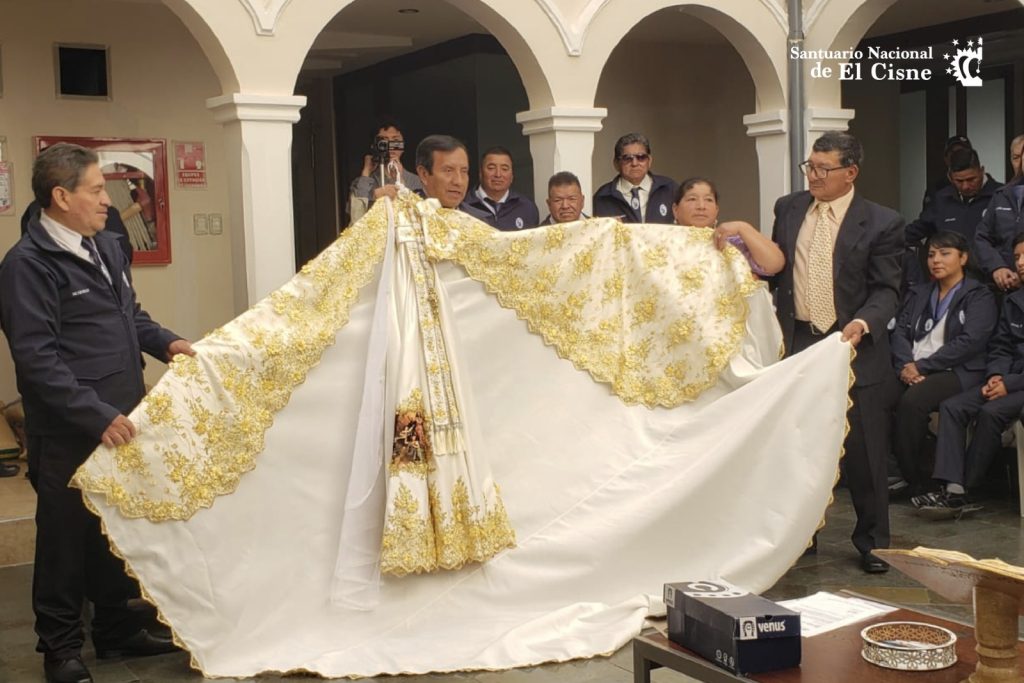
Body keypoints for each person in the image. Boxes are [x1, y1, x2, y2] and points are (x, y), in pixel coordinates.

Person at [0, 143, 194, 683]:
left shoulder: (105, 247)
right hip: (69, 428)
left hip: (120, 416)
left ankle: (116, 628)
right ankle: (60, 649)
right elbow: (36, 358)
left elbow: (129, 315)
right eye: (94, 190)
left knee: (113, 528)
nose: (106, 201)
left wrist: (168, 343)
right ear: (61, 197)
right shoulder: (27, 266)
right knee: (65, 540)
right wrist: (93, 413)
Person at [771, 131, 904, 574]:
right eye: (810, 166)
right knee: (801, 446)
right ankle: (801, 536)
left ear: (850, 172)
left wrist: (863, 323)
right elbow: (776, 270)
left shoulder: (883, 222)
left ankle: (873, 543)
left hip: (855, 345)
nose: (814, 176)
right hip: (803, 342)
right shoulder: (789, 209)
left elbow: (888, 289)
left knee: (864, 450)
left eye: (823, 169)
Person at [914, 233, 1024, 513]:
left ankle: (965, 487)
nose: (1020, 263)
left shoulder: (980, 294)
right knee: (953, 407)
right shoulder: (1014, 301)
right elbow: (1000, 345)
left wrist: (1008, 384)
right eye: (1017, 257)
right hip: (1006, 379)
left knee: (991, 412)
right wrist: (996, 375)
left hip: (1017, 385)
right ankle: (954, 487)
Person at [889, 231, 996, 497]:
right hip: (913, 368)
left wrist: (923, 367)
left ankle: (917, 478)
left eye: (945, 254)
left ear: (963, 258)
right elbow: (899, 332)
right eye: (931, 255)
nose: (936, 260)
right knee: (877, 395)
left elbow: (971, 341)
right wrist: (906, 366)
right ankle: (892, 473)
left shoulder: (979, 295)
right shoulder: (919, 292)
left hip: (958, 371)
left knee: (913, 402)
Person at [902, 149, 999, 290]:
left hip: (989, 282)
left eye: (971, 179)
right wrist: (889, 238)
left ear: (981, 171)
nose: (965, 186)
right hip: (949, 283)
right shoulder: (942, 199)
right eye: (959, 181)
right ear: (950, 177)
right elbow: (919, 228)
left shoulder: (1000, 196)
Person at [671, 177, 784, 278]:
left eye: (708, 200)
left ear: (716, 210)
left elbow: (774, 265)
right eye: (692, 199)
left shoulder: (731, 242)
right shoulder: (661, 242)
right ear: (675, 210)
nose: (701, 206)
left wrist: (743, 227)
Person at [592, 133, 677, 224]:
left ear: (649, 161)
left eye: (641, 157)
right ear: (616, 163)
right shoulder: (603, 197)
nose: (635, 163)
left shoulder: (669, 189)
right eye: (627, 158)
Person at [22, 200, 134, 265]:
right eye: (95, 190)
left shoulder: (109, 213)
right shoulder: (36, 213)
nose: (106, 199)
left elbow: (124, 258)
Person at [350, 119, 424, 216]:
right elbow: (356, 216)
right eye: (383, 141)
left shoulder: (417, 181)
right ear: (374, 146)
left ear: (403, 146)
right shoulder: (361, 182)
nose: (390, 146)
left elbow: (418, 215)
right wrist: (366, 173)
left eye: (396, 141)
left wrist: (400, 180)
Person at [461, 146, 539, 230]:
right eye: (491, 168)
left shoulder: (527, 207)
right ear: (480, 173)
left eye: (504, 169)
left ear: (512, 175)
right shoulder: (463, 205)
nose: (498, 174)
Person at [972, 165, 1024, 293]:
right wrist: (996, 266)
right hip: (1001, 285)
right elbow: (981, 237)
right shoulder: (1002, 194)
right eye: (1016, 157)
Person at [415, 134, 472, 210]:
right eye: (448, 170)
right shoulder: (401, 215)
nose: (458, 181)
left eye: (464, 171)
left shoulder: (480, 220)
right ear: (424, 174)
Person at [922, 135, 972, 209]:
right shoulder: (936, 189)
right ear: (946, 159)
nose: (957, 156)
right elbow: (928, 218)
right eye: (953, 153)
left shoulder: (980, 184)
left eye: (962, 152)